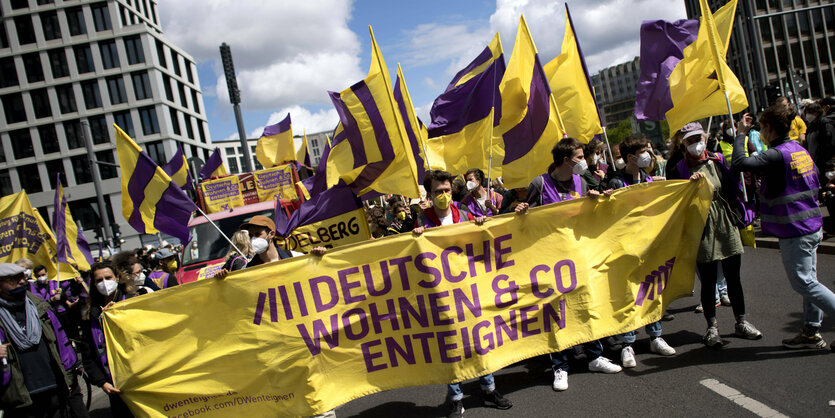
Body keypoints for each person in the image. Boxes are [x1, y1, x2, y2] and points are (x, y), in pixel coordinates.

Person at [516, 138, 620, 391]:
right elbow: (526, 222)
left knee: (587, 304)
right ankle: (560, 366)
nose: (585, 160)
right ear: (566, 160)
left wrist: (599, 200)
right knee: (557, 312)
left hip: (579, 254)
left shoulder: (582, 182)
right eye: (580, 156)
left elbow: (591, 217)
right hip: (550, 260)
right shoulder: (539, 184)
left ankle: (595, 356)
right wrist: (520, 211)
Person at [733, 107, 835, 350]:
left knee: (804, 283)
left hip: (796, 229)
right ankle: (811, 331)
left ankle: (812, 330)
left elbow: (739, 163)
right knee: (810, 281)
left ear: (769, 128)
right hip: (811, 225)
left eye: (761, 128)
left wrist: (740, 134)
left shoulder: (777, 155)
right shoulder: (798, 150)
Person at [411, 170, 511, 418]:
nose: (443, 195)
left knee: (479, 340)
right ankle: (456, 397)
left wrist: (480, 227)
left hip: (470, 291)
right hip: (440, 296)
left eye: (446, 190)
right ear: (430, 195)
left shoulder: (465, 215)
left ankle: (489, 389)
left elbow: (484, 243)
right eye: (438, 192)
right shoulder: (421, 222)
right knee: (451, 347)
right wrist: (413, 239)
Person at [669, 122, 762, 347]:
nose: (696, 144)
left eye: (698, 138)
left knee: (733, 278)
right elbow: (673, 201)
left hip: (725, 224)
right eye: (690, 141)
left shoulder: (717, 161)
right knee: (709, 281)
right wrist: (687, 187)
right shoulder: (678, 169)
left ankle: (741, 322)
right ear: (683, 144)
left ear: (705, 137)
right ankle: (712, 328)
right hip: (701, 229)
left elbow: (732, 188)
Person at [604, 136, 676, 366]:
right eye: (643, 151)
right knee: (628, 295)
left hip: (649, 245)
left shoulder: (648, 178)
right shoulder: (615, 182)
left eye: (648, 150)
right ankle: (628, 343)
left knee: (652, 290)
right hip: (624, 248)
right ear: (630, 157)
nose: (648, 155)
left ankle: (656, 336)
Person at [0, 263, 77, 417]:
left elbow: (61, 343)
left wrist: (67, 378)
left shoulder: (39, 305)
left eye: (22, 277)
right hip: (20, 398)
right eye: (13, 279)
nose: (21, 282)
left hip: (54, 388)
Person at [82, 261, 135, 416]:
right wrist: (102, 382)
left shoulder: (133, 301)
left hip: (139, 378)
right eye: (99, 280)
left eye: (108, 277)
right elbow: (88, 354)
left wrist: (119, 314)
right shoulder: (90, 314)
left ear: (117, 278)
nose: (104, 283)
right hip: (115, 385)